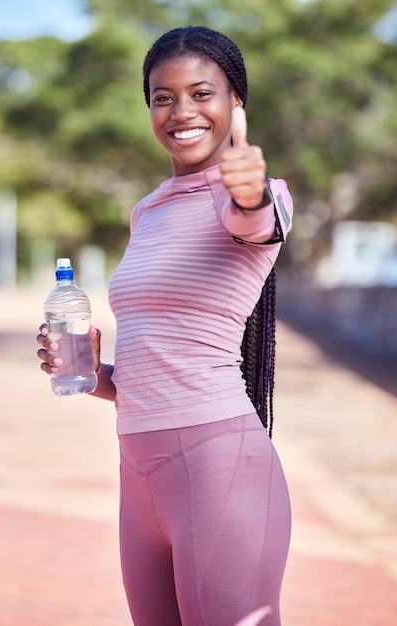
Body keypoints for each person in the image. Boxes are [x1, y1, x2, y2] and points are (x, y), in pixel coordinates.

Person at [37, 25, 293, 626]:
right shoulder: (148, 210)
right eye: (162, 97)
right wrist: (88, 372)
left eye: (202, 94)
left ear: (235, 104)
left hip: (218, 465)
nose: (181, 112)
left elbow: (254, 220)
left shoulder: (260, 195)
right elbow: (161, 366)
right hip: (139, 473)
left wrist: (249, 189)